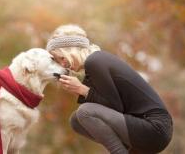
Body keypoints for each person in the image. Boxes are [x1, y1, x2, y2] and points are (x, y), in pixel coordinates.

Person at [46, 24, 173, 154]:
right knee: (76, 121)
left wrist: (82, 89)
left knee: (84, 112)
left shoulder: (95, 61)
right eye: (58, 61)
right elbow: (104, 109)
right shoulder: (94, 65)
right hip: (142, 126)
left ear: (72, 50)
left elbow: (115, 107)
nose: (62, 64)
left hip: (154, 128)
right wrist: (79, 90)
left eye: (62, 57)